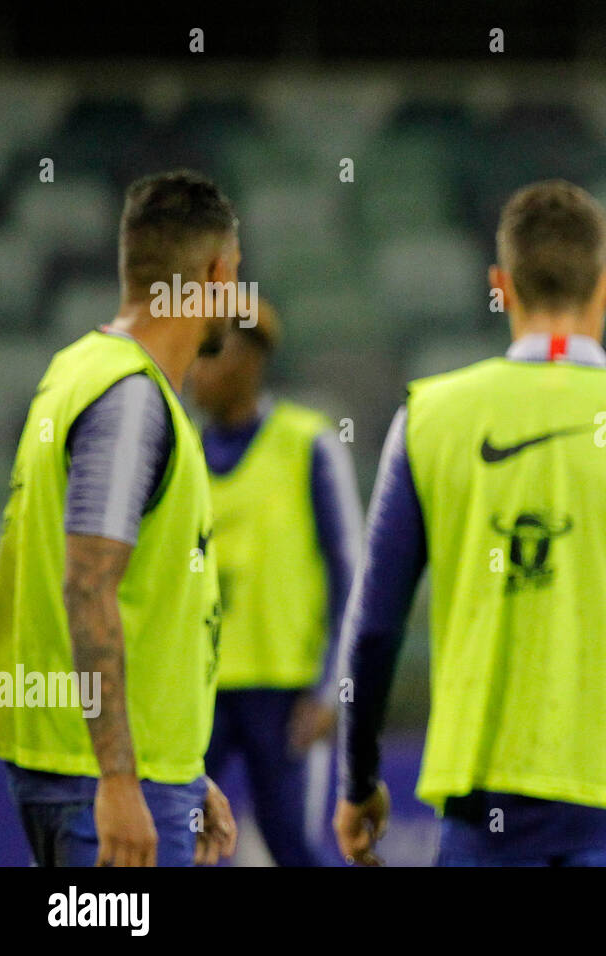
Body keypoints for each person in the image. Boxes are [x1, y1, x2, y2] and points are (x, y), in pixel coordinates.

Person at [333, 180, 606, 867]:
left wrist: (356, 782)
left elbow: (374, 628)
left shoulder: (429, 418)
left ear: (501, 284)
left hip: (484, 810)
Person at [0, 170, 240, 866]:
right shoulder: (131, 402)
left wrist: (181, 777)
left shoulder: (76, 371)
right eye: (238, 278)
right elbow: (86, 586)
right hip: (97, 781)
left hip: (95, 770)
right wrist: (123, 780)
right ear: (216, 272)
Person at [188, 299, 362, 866]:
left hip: (285, 694)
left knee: (297, 847)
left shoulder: (307, 444)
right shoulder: (178, 455)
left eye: (212, 350)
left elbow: (350, 573)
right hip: (197, 694)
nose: (196, 366)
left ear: (254, 356)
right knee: (173, 841)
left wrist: (330, 687)